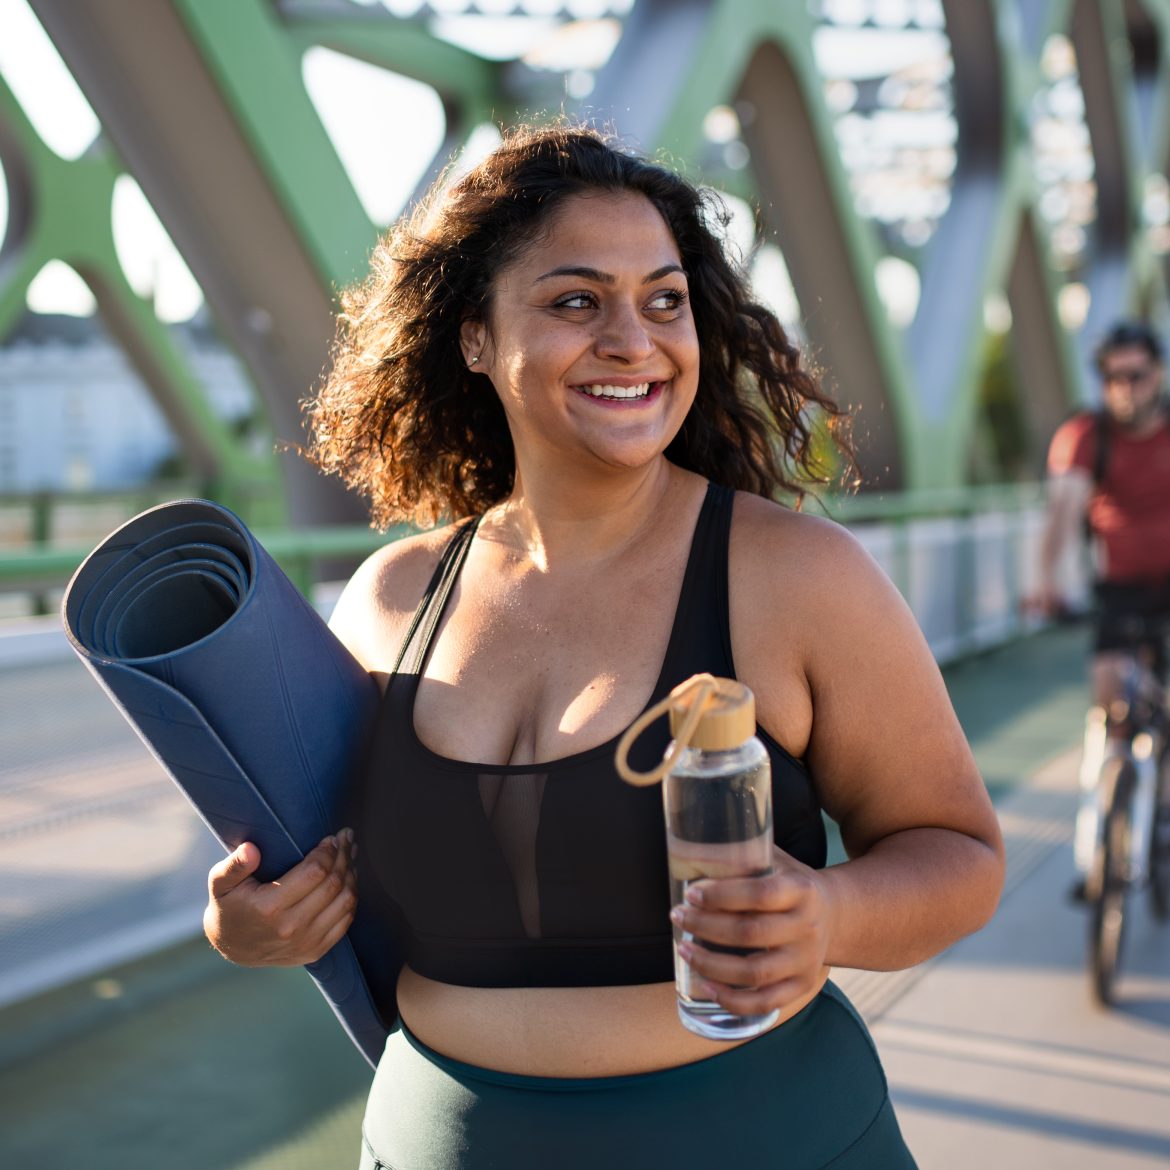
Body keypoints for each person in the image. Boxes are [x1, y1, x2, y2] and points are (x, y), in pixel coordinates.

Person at [201, 123, 1004, 1169]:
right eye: (576, 301)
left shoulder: (800, 580)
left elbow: (963, 859)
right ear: (475, 338)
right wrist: (251, 926)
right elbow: (309, 869)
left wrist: (829, 912)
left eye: (663, 300)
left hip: (764, 1140)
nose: (634, 339)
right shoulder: (392, 598)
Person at [1034, 319, 1170, 891]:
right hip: (1117, 591)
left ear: (1158, 373)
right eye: (1111, 377)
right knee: (1109, 704)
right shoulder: (1088, 434)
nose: (1124, 389)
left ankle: (1159, 819)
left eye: (1136, 376)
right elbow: (1063, 510)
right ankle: (1099, 835)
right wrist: (1045, 582)